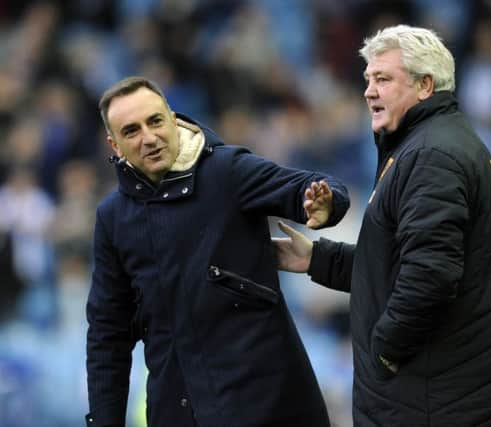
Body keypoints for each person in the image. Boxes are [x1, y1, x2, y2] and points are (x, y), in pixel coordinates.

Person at [273, 24, 491, 426]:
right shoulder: (435, 144)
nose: (368, 91)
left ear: (425, 86)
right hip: (456, 399)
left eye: (383, 79)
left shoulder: (433, 154)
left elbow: (430, 274)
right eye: (368, 79)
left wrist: (385, 351)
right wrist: (316, 258)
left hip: (443, 403)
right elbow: (398, 266)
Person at [85, 76, 350, 427]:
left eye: (155, 121)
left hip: (270, 404)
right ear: (114, 146)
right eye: (131, 131)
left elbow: (309, 187)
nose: (148, 138)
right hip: (178, 412)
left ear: (173, 119)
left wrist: (324, 204)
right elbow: (107, 334)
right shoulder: (113, 217)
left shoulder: (227, 171)